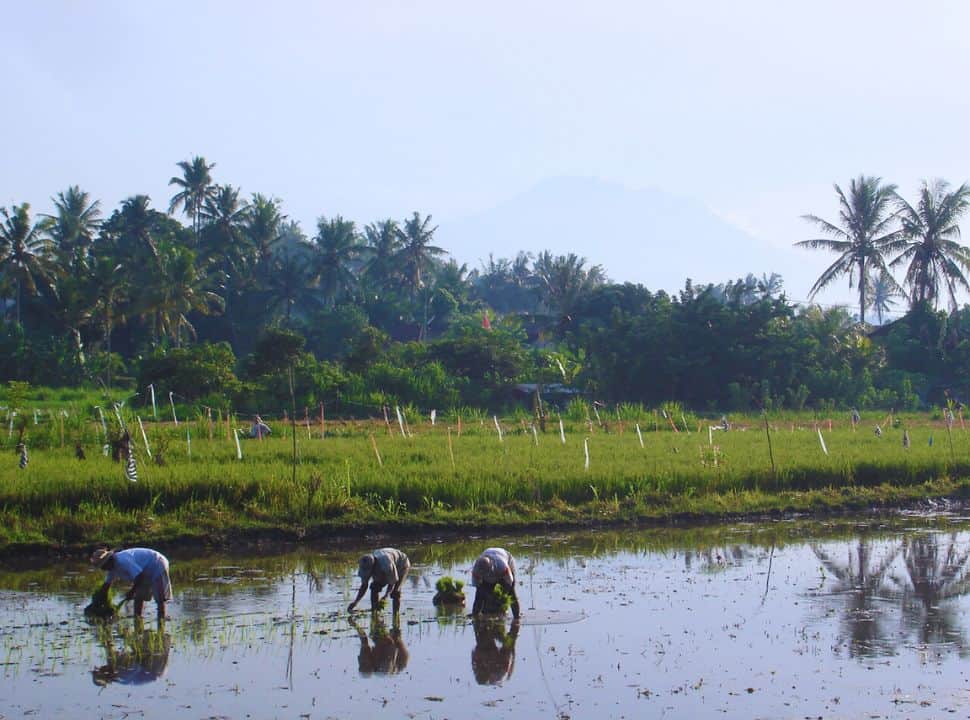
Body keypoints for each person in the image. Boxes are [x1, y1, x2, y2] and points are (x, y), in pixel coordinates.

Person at [90, 547, 172, 619]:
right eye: (101, 567)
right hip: (143, 570)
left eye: (103, 566)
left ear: (108, 561)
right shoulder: (111, 568)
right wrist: (99, 599)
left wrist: (132, 592)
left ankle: (162, 619)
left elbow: (140, 577)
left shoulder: (123, 561)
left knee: (160, 599)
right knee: (139, 597)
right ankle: (138, 618)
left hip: (157, 564)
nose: (103, 569)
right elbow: (106, 585)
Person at [348, 547, 410, 614]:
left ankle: (396, 615)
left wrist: (385, 597)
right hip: (384, 566)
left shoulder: (387, 565)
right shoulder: (364, 564)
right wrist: (355, 602)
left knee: (395, 592)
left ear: (374, 566)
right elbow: (364, 586)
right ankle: (375, 612)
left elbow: (392, 582)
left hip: (402, 564)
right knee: (374, 587)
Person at [471, 547, 520, 619]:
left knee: (512, 594)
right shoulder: (476, 570)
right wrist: (488, 596)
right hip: (489, 554)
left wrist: (501, 597)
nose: (487, 576)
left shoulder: (502, 566)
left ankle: (517, 616)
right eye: (483, 574)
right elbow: (477, 586)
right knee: (479, 595)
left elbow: (509, 583)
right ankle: (476, 616)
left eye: (487, 573)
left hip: (504, 558)